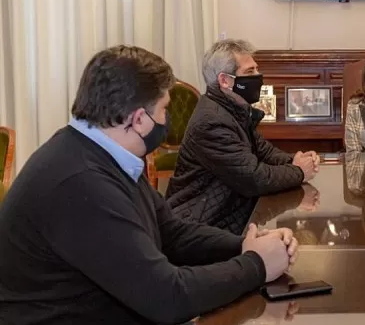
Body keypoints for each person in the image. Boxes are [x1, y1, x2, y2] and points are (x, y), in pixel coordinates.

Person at [0, 45, 299, 324]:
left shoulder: (102, 154)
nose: (167, 120)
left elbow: (171, 233)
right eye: (164, 110)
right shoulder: (78, 182)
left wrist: (243, 244)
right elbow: (167, 297)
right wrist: (256, 265)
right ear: (140, 119)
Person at [166, 39, 319, 235]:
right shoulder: (212, 122)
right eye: (249, 72)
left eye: (256, 69)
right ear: (224, 81)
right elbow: (253, 179)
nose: (258, 76)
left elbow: (263, 151)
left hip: (227, 215)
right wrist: (298, 171)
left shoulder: (234, 109)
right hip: (200, 225)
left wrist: (296, 160)